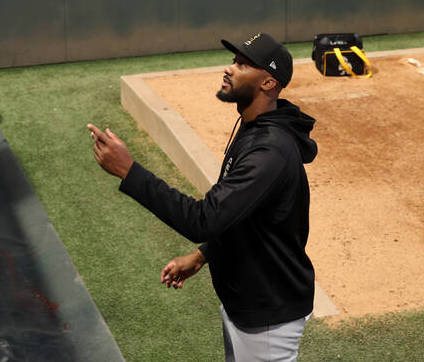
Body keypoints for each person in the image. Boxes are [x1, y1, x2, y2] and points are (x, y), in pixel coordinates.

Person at [89, 32, 317, 362]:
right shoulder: (255, 127)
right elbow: (242, 215)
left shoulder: (268, 151)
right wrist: (203, 256)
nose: (229, 68)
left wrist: (130, 171)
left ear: (268, 83)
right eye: (234, 61)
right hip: (250, 298)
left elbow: (204, 219)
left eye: (242, 64)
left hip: (268, 313)